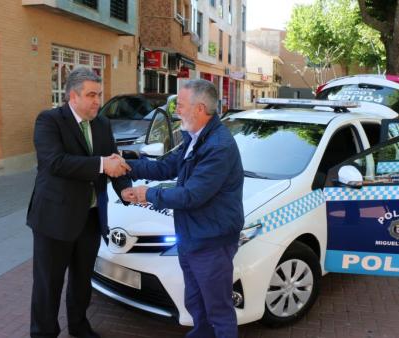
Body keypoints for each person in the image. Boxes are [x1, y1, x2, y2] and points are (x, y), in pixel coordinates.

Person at [122, 79, 244, 338]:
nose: (176, 110)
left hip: (211, 242)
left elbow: (192, 195)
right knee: (196, 304)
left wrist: (147, 194)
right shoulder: (195, 137)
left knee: (218, 311)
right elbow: (165, 166)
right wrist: (126, 165)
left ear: (200, 109)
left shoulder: (218, 146)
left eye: (181, 104)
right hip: (192, 237)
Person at [26, 68, 133, 338]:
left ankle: (79, 325)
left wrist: (126, 190)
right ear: (73, 96)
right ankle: (43, 333)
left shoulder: (102, 124)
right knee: (48, 284)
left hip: (91, 216)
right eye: (91, 95)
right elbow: (55, 162)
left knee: (82, 280)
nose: (98, 101)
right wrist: (101, 164)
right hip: (54, 218)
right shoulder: (49, 121)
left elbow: (113, 160)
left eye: (99, 94)